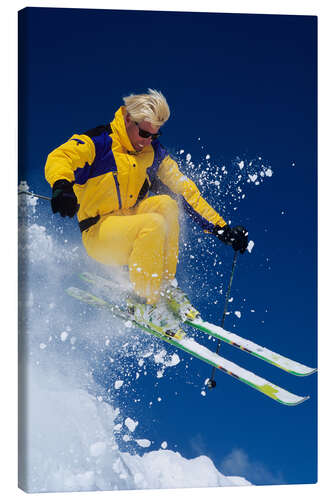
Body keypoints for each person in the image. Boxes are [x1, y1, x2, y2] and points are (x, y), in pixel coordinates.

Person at [45, 89, 248, 336]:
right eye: (144, 133)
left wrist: (221, 228)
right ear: (129, 120)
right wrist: (62, 185)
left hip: (132, 227)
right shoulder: (100, 143)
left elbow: (185, 189)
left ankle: (163, 288)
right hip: (98, 233)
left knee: (167, 204)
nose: (147, 141)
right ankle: (143, 302)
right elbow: (61, 157)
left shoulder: (152, 154)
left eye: (155, 135)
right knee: (151, 223)